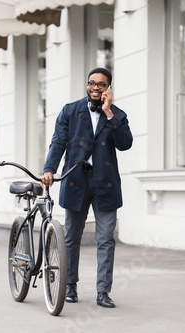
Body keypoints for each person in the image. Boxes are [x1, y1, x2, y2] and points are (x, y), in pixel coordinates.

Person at [41, 67, 133, 308]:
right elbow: (58, 142)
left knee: (106, 240)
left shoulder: (117, 115)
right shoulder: (70, 111)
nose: (95, 87)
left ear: (108, 88)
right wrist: (49, 169)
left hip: (105, 183)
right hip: (75, 179)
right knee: (71, 237)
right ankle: (69, 286)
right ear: (87, 84)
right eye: (91, 83)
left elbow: (125, 144)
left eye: (101, 84)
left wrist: (109, 112)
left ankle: (103, 291)